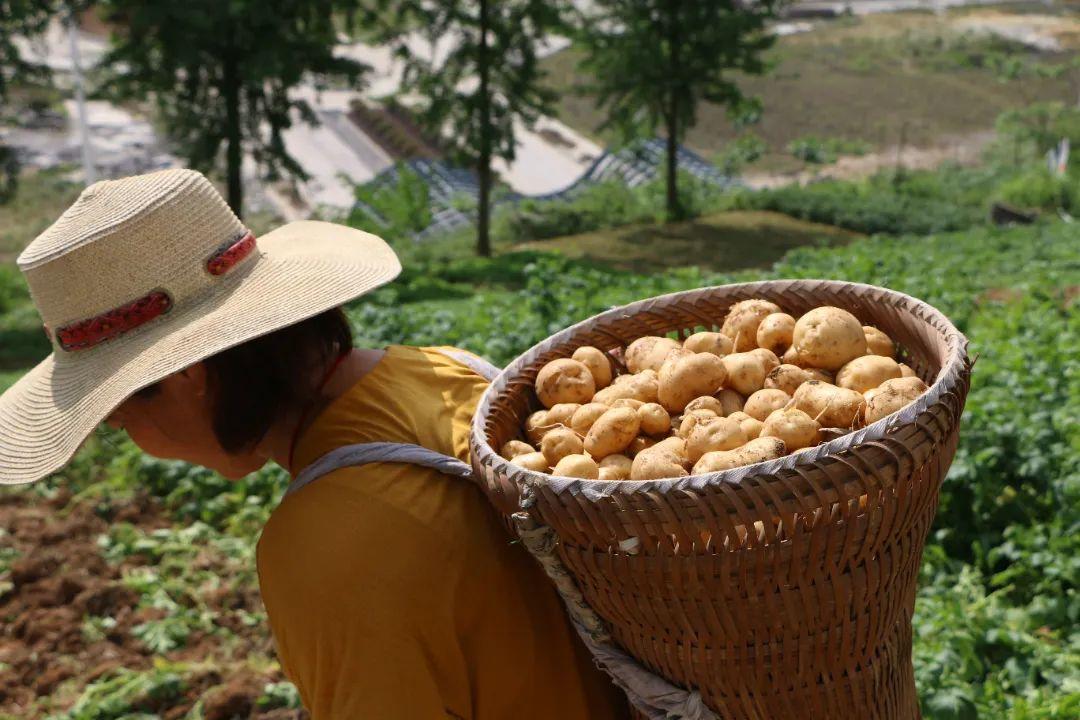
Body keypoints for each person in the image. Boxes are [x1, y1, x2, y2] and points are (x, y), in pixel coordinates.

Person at [0, 169, 629, 719]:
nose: (129, 439)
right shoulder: (444, 369)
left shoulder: (323, 548)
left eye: (113, 416)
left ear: (182, 377)